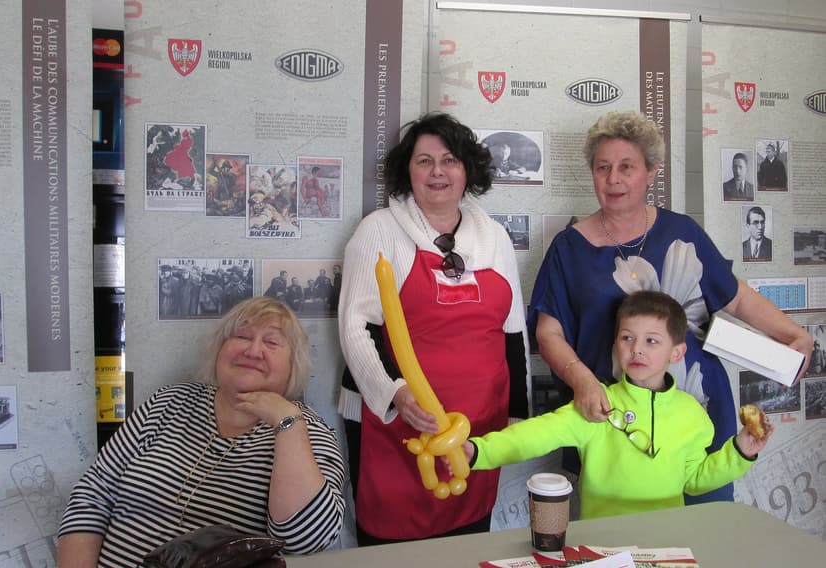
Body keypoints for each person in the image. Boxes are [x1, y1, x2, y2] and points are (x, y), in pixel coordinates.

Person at [528, 111, 812, 505]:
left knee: (703, 534)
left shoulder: (684, 233)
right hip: (612, 420)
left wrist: (793, 334)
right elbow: (549, 333)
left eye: (627, 167)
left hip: (696, 409)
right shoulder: (568, 247)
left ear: (652, 172)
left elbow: (736, 296)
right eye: (603, 167)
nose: (613, 179)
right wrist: (582, 381)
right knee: (624, 542)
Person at [337, 112, 529, 544]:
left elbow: (513, 333)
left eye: (449, 160)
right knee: (392, 543)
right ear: (408, 171)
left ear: (468, 170)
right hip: (396, 425)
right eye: (424, 161)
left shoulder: (494, 237)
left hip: (478, 428)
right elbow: (355, 327)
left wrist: (515, 415)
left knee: (468, 535)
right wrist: (397, 396)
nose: (438, 171)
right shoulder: (379, 232)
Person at [57, 297, 345, 566]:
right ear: (219, 349)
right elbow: (92, 495)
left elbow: (307, 540)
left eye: (271, 342)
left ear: (293, 366)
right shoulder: (167, 402)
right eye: (242, 336)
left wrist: (287, 423)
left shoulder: (307, 431)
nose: (253, 350)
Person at [467, 291, 772, 519]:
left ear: (676, 353)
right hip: (604, 546)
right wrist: (478, 451)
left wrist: (740, 452)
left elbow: (694, 480)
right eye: (627, 338)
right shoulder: (596, 403)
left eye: (652, 341)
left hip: (668, 548)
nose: (636, 349)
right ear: (616, 345)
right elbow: (536, 435)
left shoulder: (692, 414)